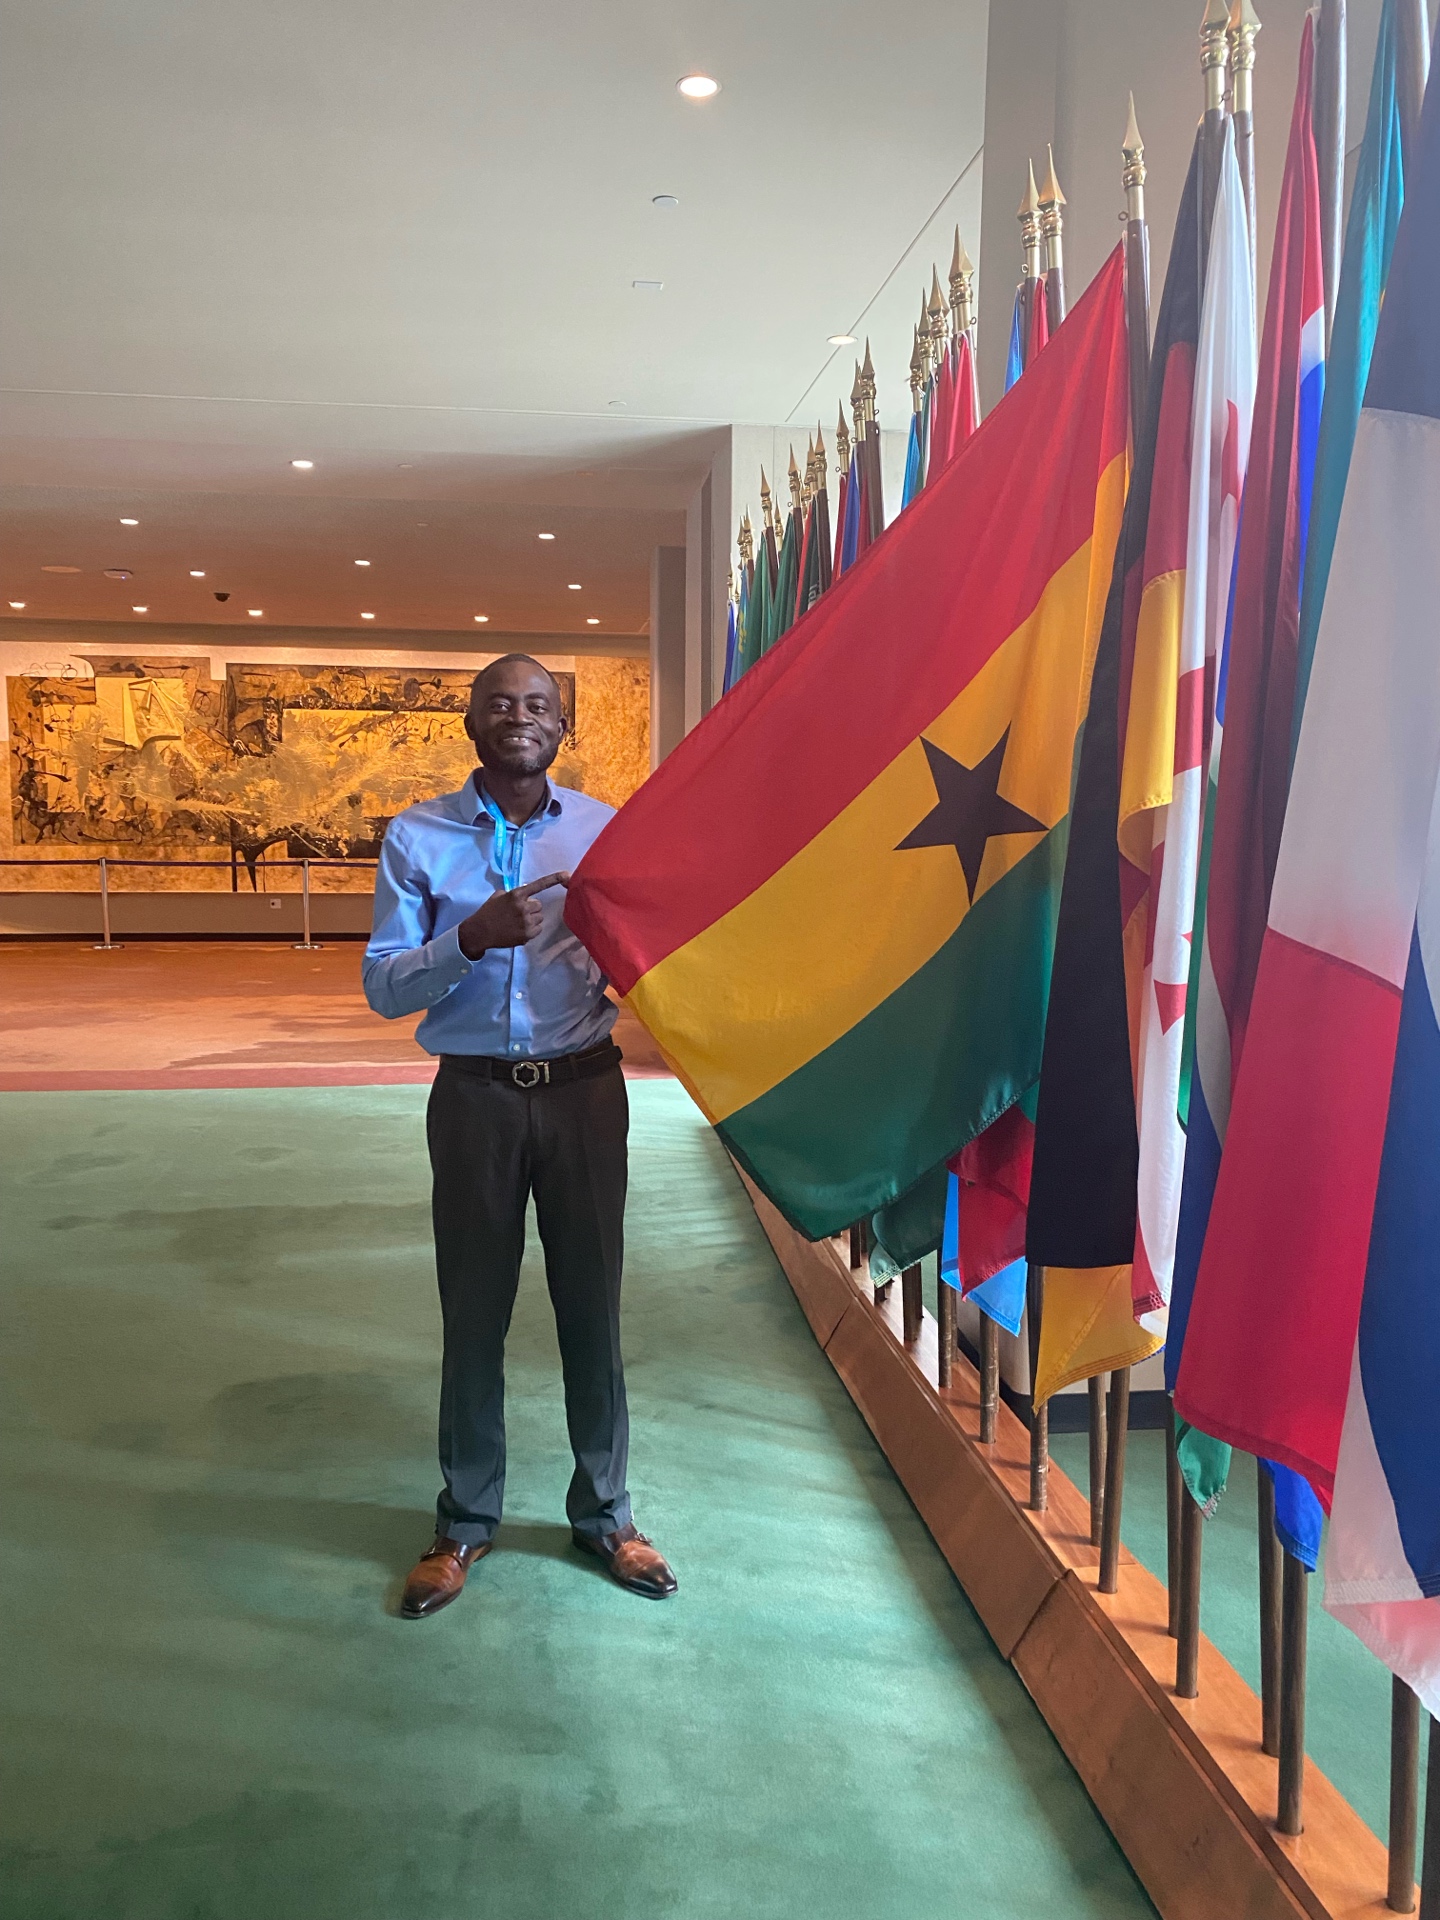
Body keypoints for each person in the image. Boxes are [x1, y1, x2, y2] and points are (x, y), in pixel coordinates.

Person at [363, 654, 676, 1617]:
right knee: (475, 1311)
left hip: (584, 1091)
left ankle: (607, 1516)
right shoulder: (417, 837)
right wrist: (468, 938)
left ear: (562, 725)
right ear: (471, 718)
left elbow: (649, 947)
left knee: (594, 1308)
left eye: (539, 705)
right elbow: (382, 985)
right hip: (475, 1102)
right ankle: (464, 1522)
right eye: (500, 702)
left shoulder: (606, 831)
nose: (519, 716)